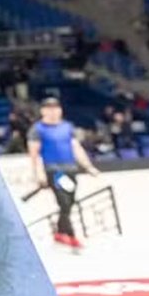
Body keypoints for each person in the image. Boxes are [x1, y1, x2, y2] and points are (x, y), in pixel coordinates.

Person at [28, 96, 101, 249]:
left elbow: (76, 148)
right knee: (64, 202)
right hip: (54, 170)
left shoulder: (67, 127)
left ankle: (60, 231)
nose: (53, 112)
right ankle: (71, 234)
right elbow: (34, 154)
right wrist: (39, 174)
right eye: (49, 109)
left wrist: (88, 166)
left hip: (70, 169)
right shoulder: (38, 129)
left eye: (56, 108)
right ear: (43, 111)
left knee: (69, 202)